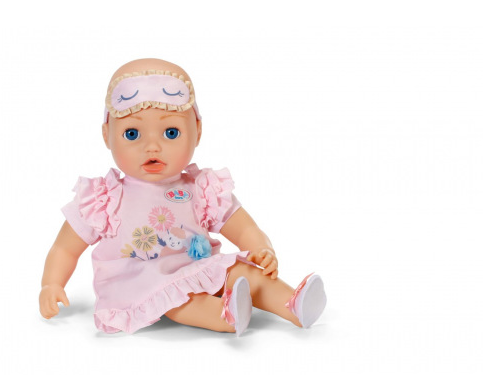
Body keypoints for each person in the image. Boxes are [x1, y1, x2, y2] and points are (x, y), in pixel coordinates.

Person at [39, 58, 327, 336]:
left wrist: (262, 250)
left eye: (171, 132)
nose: (152, 146)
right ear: (107, 135)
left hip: (198, 268)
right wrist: (51, 284)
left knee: (243, 270)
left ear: (197, 132)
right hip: (143, 283)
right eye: (132, 134)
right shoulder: (104, 198)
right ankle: (225, 316)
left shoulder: (202, 189)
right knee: (179, 301)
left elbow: (243, 227)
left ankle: (294, 304)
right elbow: (65, 249)